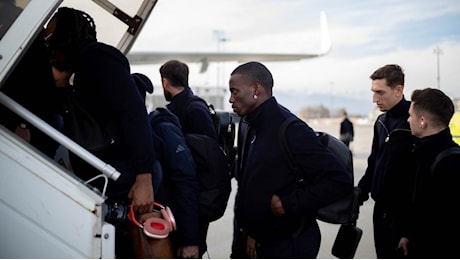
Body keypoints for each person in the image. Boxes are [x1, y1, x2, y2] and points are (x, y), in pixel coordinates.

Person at [44, 7, 155, 258]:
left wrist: (143, 177)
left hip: (127, 176)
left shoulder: (98, 58)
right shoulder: (78, 69)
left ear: (67, 34)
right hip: (110, 176)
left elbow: (133, 113)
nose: (48, 44)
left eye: (51, 38)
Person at [229, 61, 353, 258]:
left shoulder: (291, 130)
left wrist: (288, 204)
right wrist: (252, 231)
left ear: (255, 89)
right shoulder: (248, 125)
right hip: (253, 240)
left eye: (234, 91)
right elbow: (254, 183)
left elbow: (339, 182)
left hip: (286, 245)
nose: (230, 99)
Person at [133, 72, 201, 258]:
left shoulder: (162, 129)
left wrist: (189, 241)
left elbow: (185, 181)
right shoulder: (131, 138)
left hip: (164, 234)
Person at [159, 59, 217, 257]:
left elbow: (206, 158)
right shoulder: (190, 106)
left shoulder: (192, 109)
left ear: (165, 82)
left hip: (193, 198)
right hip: (188, 198)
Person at [357, 64, 416, 258]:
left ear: (398, 90)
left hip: (403, 217)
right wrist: (360, 193)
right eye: (373, 92)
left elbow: (421, 178)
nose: (375, 99)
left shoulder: (414, 123)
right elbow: (374, 161)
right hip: (380, 212)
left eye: (380, 92)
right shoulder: (381, 122)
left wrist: (409, 228)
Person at [399, 88, 460, 258]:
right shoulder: (422, 152)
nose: (408, 119)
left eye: (411, 115)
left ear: (422, 121)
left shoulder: (450, 163)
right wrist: (408, 234)